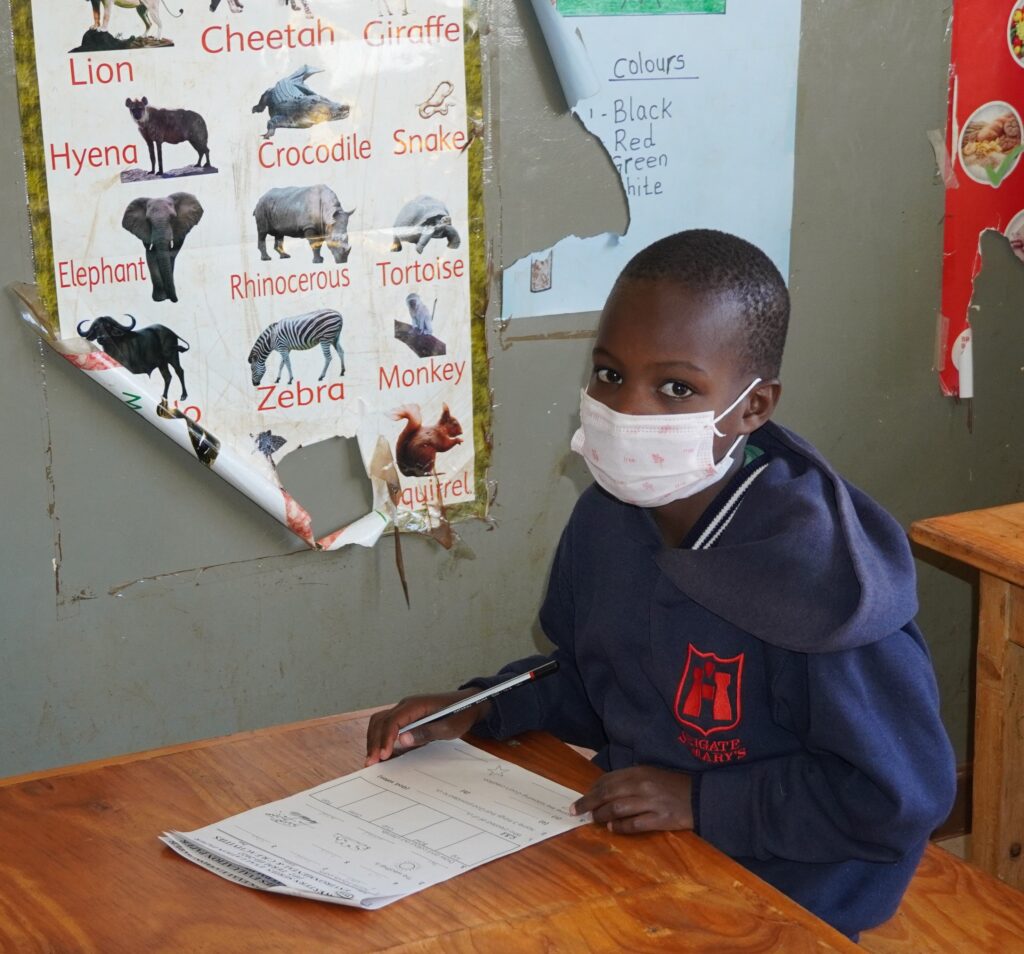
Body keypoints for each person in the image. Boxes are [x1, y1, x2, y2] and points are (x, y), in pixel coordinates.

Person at [365, 229, 957, 939]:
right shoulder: (609, 518)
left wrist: (704, 802)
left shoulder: (821, 580)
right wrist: (482, 706)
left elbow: (899, 796)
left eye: (676, 388)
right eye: (610, 375)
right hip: (643, 859)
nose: (630, 410)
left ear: (753, 407)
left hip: (785, 903)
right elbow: (598, 684)